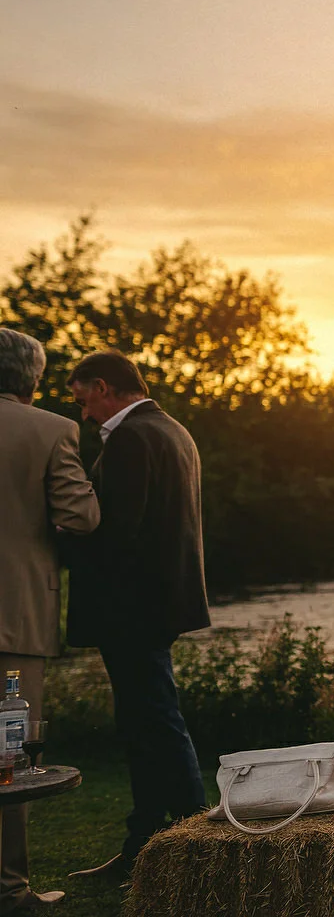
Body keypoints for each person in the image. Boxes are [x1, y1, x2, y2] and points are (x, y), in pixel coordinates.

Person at [62, 351, 210, 882]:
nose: (83, 414)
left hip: (131, 605)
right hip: (162, 599)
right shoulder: (173, 430)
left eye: (83, 400)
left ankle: (190, 840)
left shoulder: (129, 437)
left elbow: (117, 532)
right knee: (150, 718)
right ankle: (149, 842)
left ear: (104, 387)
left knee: (153, 720)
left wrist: (56, 547)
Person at [0, 329, 99, 914]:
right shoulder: (52, 430)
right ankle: (9, 890)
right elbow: (81, 518)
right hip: (12, 621)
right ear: (32, 379)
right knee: (7, 754)